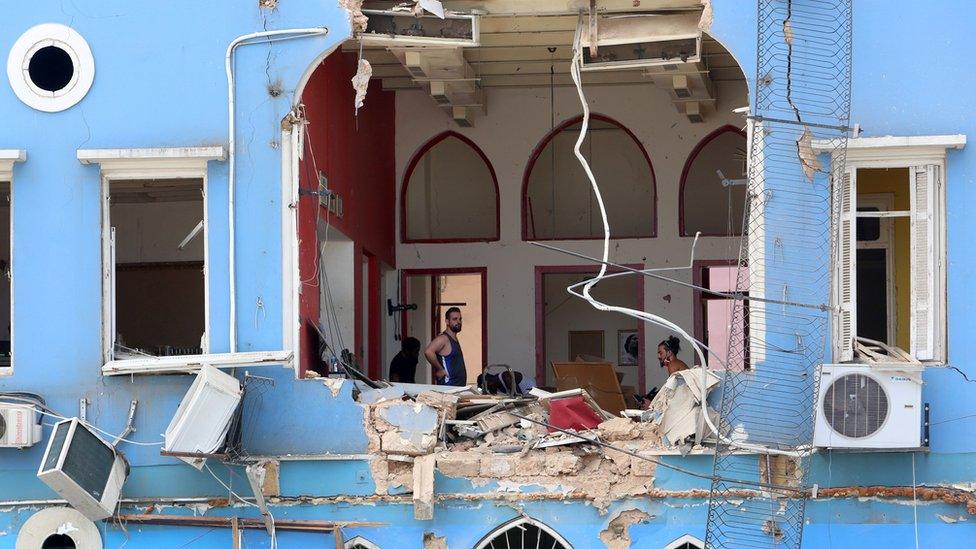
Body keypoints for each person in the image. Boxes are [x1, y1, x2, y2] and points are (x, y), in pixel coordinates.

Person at [424, 307, 467, 386]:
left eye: (460, 319)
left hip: (457, 388)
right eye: (455, 319)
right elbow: (428, 351)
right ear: (447, 321)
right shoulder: (443, 338)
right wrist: (440, 369)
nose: (458, 322)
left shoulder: (454, 338)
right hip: (448, 388)